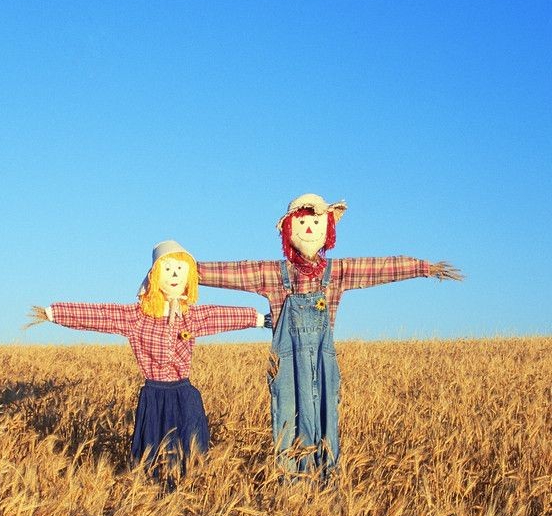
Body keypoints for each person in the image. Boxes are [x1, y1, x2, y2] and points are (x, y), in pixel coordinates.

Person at [197, 194, 463, 474]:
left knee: (326, 421)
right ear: (289, 230)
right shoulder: (273, 274)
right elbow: (231, 272)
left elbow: (380, 267)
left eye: (316, 222)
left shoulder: (337, 273)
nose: (310, 229)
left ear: (328, 231)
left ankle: (325, 486)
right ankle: (291, 492)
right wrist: (189, 269)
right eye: (302, 223)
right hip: (286, 365)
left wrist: (423, 268)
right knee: (287, 421)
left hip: (324, 363)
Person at [27, 240, 267, 475]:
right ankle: (155, 493)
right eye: (168, 269)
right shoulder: (138, 316)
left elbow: (220, 316)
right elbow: (101, 315)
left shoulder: (190, 316)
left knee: (191, 455)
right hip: (154, 395)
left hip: (184, 393)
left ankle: (188, 490)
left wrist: (257, 319)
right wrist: (54, 313)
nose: (174, 275)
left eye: (180, 269)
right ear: (154, 276)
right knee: (154, 458)